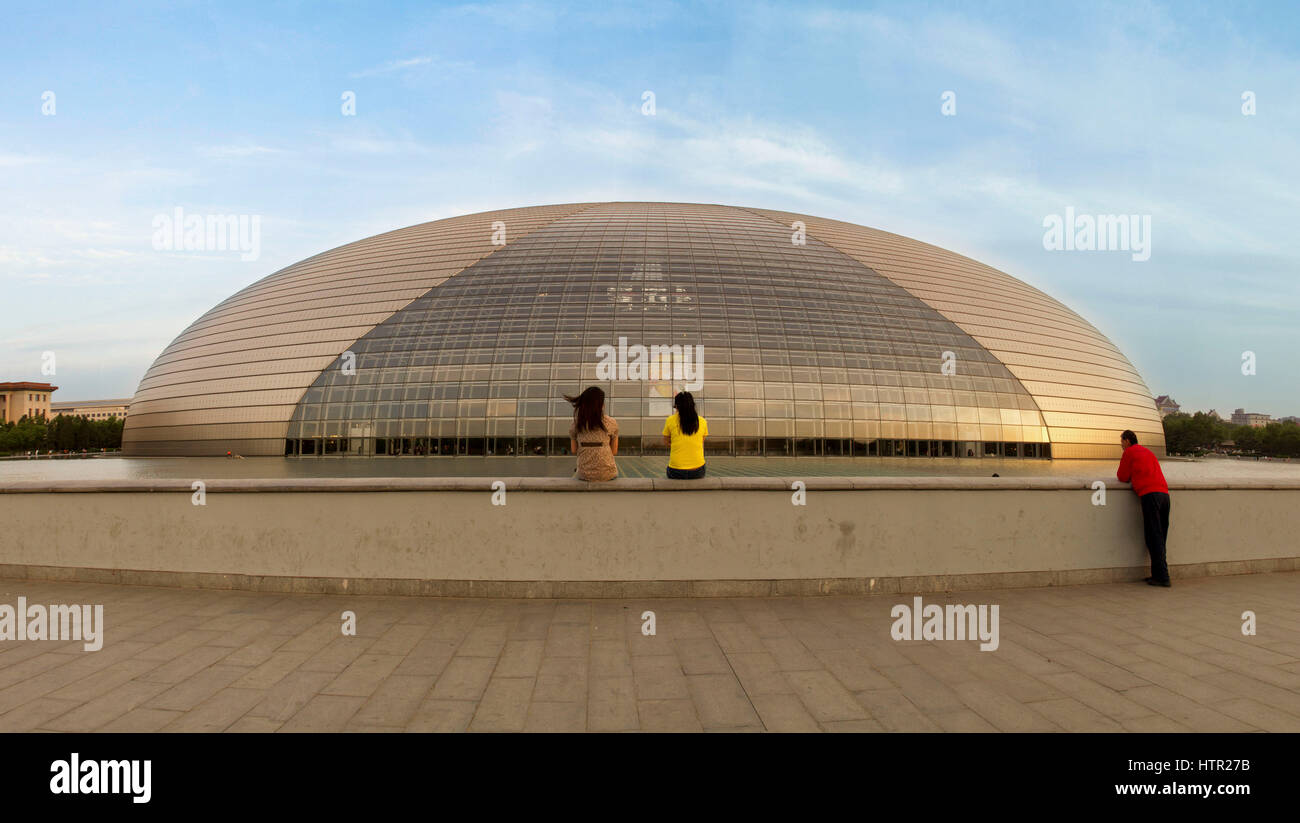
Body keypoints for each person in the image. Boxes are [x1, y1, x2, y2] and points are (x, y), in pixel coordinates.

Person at [1116, 429, 1171, 587]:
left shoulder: (1129, 452)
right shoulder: (1148, 452)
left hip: (1150, 494)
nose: (1121, 446)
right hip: (1164, 495)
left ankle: (1162, 577)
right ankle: (1158, 574)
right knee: (1161, 535)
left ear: (1127, 441)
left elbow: (1122, 476)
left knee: (1153, 536)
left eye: (1121, 442)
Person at [564, 386, 619, 481]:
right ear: (601, 405)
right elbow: (614, 451)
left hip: (584, 475)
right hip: (608, 474)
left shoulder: (576, 424)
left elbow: (574, 450)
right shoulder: (611, 423)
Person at [662, 391, 708, 479]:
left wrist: (677, 444)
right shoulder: (702, 421)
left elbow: (666, 442)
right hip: (697, 471)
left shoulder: (670, 420)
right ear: (693, 405)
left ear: (677, 406)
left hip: (676, 471)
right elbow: (701, 441)